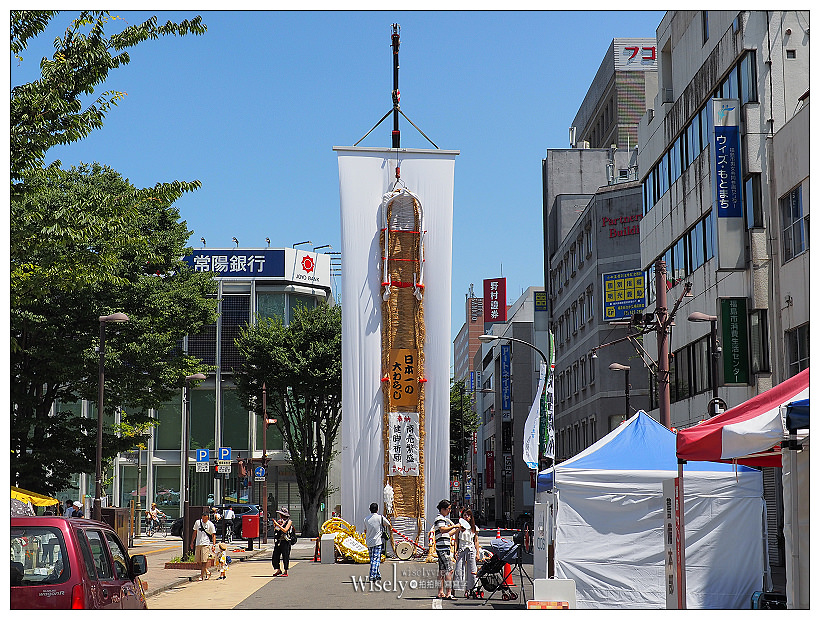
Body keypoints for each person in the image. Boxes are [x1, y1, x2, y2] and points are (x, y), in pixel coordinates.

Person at [434, 499, 461, 600]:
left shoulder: (443, 519)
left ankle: (440, 592)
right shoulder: (440, 519)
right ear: (443, 509)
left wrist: (457, 529)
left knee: (442, 571)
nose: (449, 511)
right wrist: (454, 526)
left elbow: (447, 534)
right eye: (448, 509)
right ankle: (448, 593)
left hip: (442, 547)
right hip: (443, 548)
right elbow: (442, 530)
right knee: (449, 570)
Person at [454, 508, 480, 597]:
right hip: (461, 548)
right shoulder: (459, 527)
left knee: (472, 570)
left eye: (468, 515)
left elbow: (476, 541)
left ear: (471, 517)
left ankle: (471, 589)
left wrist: (477, 553)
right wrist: (455, 550)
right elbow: (456, 540)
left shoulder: (474, 528)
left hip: (471, 549)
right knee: (459, 569)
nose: (466, 517)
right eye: (465, 515)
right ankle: (455, 589)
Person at [364, 502, 390, 582]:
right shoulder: (380, 518)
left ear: (370, 509)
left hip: (369, 542)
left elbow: (365, 530)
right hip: (377, 542)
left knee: (373, 559)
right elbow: (388, 524)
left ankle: (378, 575)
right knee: (376, 559)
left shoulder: (366, 519)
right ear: (377, 509)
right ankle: (372, 576)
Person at [190, 510, 217, 581]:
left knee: (204, 561)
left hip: (206, 544)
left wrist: (214, 545)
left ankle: (201, 575)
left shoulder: (210, 524)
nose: (204, 520)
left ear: (208, 518)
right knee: (198, 561)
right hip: (198, 543)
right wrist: (192, 542)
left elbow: (213, 535)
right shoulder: (197, 522)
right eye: (203, 518)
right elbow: (195, 532)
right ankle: (207, 572)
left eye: (205, 518)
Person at [271, 508, 293, 577]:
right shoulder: (279, 521)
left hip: (285, 541)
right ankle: (278, 569)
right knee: (275, 556)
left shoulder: (289, 521)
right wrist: (276, 525)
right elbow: (276, 530)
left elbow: (285, 530)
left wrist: (278, 525)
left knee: (285, 556)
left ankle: (285, 571)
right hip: (278, 541)